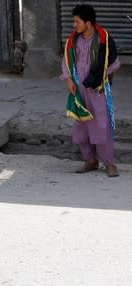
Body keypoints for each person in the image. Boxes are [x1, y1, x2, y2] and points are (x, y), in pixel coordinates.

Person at [61, 4, 121, 177]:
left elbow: (115, 63)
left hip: (97, 89)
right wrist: (69, 79)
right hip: (78, 89)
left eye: (76, 21)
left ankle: (109, 164)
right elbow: (66, 61)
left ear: (88, 23)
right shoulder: (74, 40)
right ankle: (91, 161)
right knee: (81, 126)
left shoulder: (104, 39)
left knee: (101, 126)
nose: (74, 25)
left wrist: (99, 77)